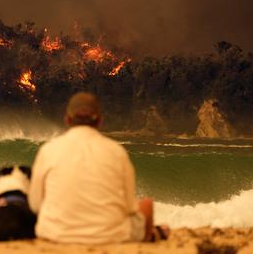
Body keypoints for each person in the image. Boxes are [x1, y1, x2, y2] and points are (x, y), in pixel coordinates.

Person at [28, 92, 169, 244]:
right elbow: (129, 207)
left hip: (55, 235)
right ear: (100, 121)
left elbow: (35, 204)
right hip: (111, 237)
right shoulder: (116, 151)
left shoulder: (48, 149)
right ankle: (151, 237)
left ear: (67, 120)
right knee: (146, 204)